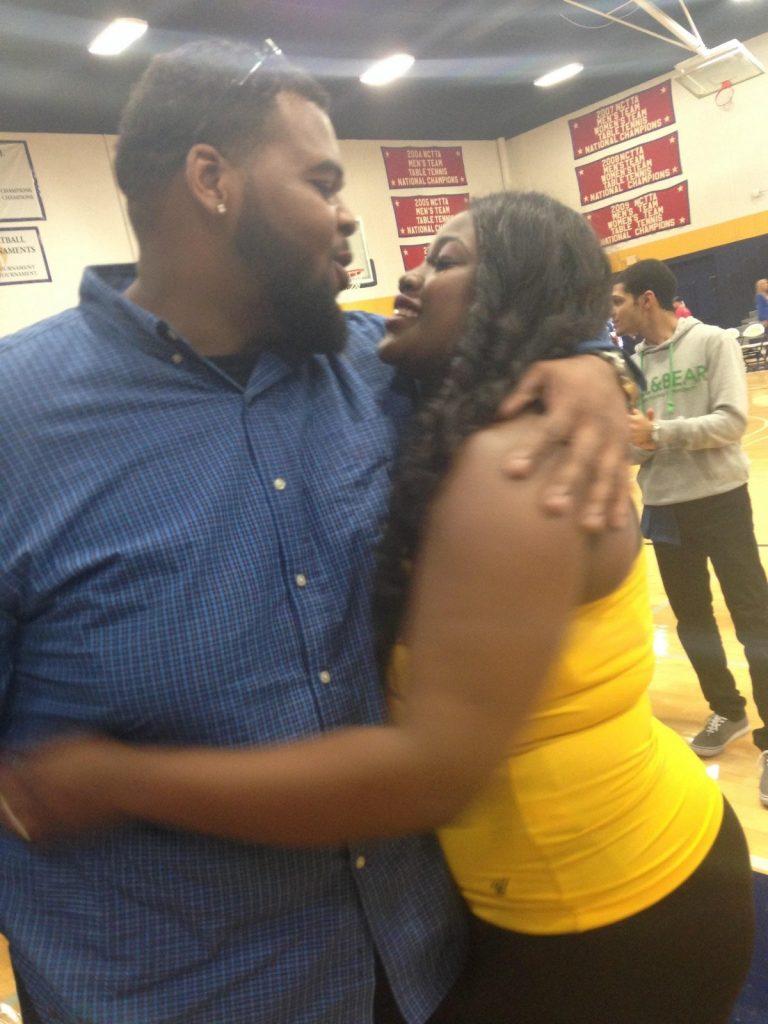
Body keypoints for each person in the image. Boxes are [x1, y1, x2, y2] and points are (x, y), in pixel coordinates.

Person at [1, 194, 754, 1024]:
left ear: (509, 300)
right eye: (317, 184)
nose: (393, 260)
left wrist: (113, 780)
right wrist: (591, 359)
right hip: (544, 899)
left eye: (445, 259)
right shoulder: (391, 377)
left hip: (614, 902)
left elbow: (426, 775)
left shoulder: (522, 461)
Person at [618, 258, 768, 802]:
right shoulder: (630, 365)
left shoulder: (712, 342)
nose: (612, 313)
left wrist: (662, 435)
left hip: (721, 501)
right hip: (666, 508)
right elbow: (636, 449)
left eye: (617, 301)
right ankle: (725, 711)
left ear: (647, 299)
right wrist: (627, 441)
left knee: (754, 616)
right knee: (693, 621)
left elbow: (732, 422)